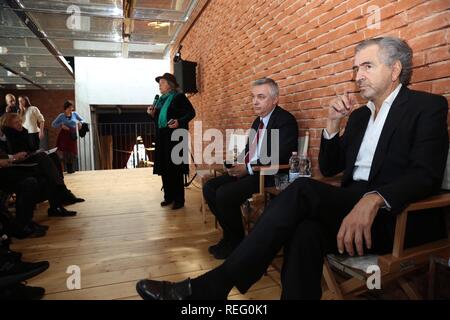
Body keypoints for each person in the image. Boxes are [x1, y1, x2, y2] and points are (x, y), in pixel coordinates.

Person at [136, 36, 449, 300]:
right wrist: (331, 124)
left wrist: (374, 198)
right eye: (355, 68)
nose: (358, 75)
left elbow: (426, 175)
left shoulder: (427, 107)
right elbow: (329, 167)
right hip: (349, 207)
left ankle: (212, 286)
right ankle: (215, 286)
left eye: (367, 66)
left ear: (395, 70)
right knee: (304, 232)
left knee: (300, 190)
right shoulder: (358, 117)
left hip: (397, 218)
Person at [203, 78, 298, 259]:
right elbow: (249, 151)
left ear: (275, 99)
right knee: (210, 187)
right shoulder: (257, 121)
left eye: (260, 97)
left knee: (225, 193)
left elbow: (281, 155)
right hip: (251, 171)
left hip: (268, 174)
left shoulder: (285, 121)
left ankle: (236, 242)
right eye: (253, 97)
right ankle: (231, 237)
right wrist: (235, 164)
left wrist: (247, 168)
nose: (255, 101)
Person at [147, 73, 196, 210]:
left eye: (162, 83)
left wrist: (179, 122)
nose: (159, 86)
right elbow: (159, 120)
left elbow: (191, 112)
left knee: (175, 168)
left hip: (175, 137)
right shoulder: (160, 101)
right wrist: (152, 114)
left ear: (170, 84)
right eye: (159, 84)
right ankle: (168, 197)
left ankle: (179, 200)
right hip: (162, 136)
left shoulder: (179, 97)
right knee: (165, 168)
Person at [52, 100, 84, 174]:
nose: (71, 109)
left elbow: (82, 120)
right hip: (64, 135)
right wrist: (61, 125)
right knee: (66, 152)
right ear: (65, 108)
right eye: (69, 107)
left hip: (72, 133)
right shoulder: (61, 116)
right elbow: (53, 124)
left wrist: (80, 123)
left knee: (72, 151)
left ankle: (71, 167)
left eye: (71, 107)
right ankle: (68, 168)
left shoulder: (75, 114)